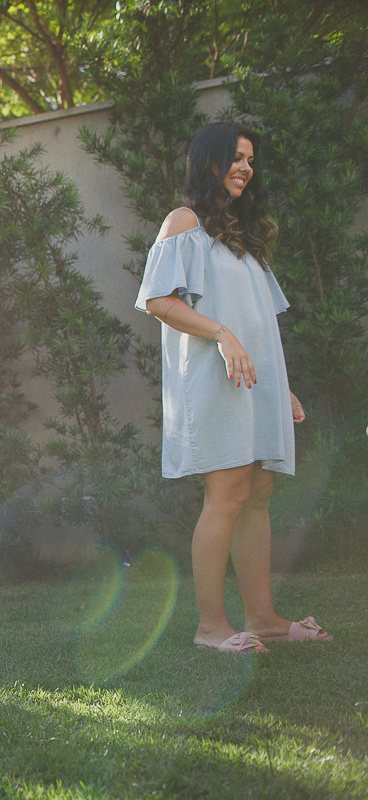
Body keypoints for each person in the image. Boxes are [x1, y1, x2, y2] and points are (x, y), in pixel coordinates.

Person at [135, 122, 331, 654]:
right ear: (210, 162)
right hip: (213, 378)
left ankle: (263, 618)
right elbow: (158, 300)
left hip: (254, 380)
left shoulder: (243, 237)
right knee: (225, 496)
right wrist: (220, 334)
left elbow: (260, 323)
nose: (246, 167)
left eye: (250, 159)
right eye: (236, 157)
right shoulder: (185, 222)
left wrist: (279, 388)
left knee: (258, 494)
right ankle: (210, 628)